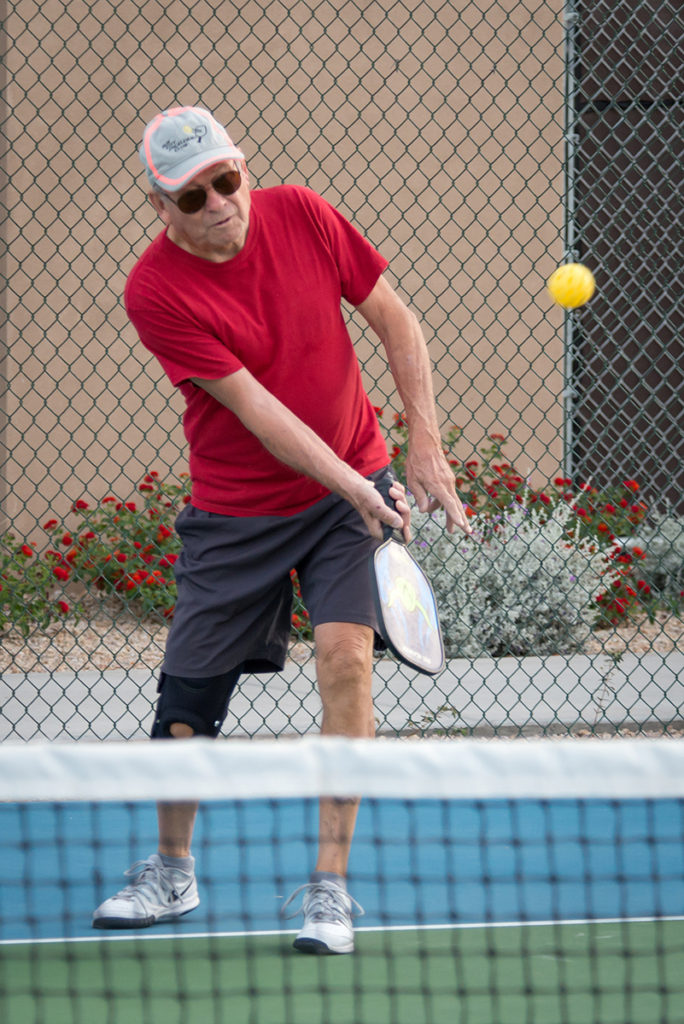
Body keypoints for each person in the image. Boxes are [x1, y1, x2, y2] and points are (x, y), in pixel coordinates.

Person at [92, 105, 471, 954]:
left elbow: (397, 319)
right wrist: (359, 487)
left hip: (349, 487)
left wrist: (423, 444)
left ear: (243, 170)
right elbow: (263, 416)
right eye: (193, 197)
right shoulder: (155, 291)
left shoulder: (304, 213)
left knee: (345, 658)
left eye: (227, 180)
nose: (220, 203)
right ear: (163, 209)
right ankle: (173, 869)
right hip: (239, 510)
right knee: (189, 695)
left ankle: (330, 886)